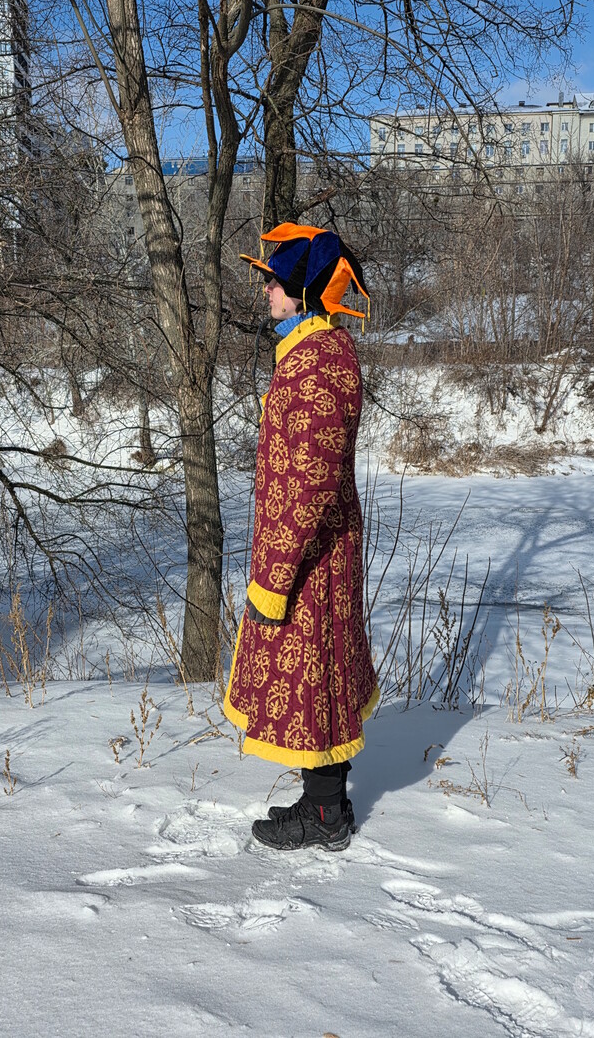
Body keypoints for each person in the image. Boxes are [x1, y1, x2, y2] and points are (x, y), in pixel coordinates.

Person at [224, 223, 379, 852]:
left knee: (315, 676)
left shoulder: (318, 364)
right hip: (313, 549)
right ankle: (325, 804)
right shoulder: (311, 355)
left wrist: (274, 576)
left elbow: (310, 482)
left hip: (310, 555)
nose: (266, 291)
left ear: (304, 293)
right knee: (319, 677)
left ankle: (325, 816)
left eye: (274, 283)